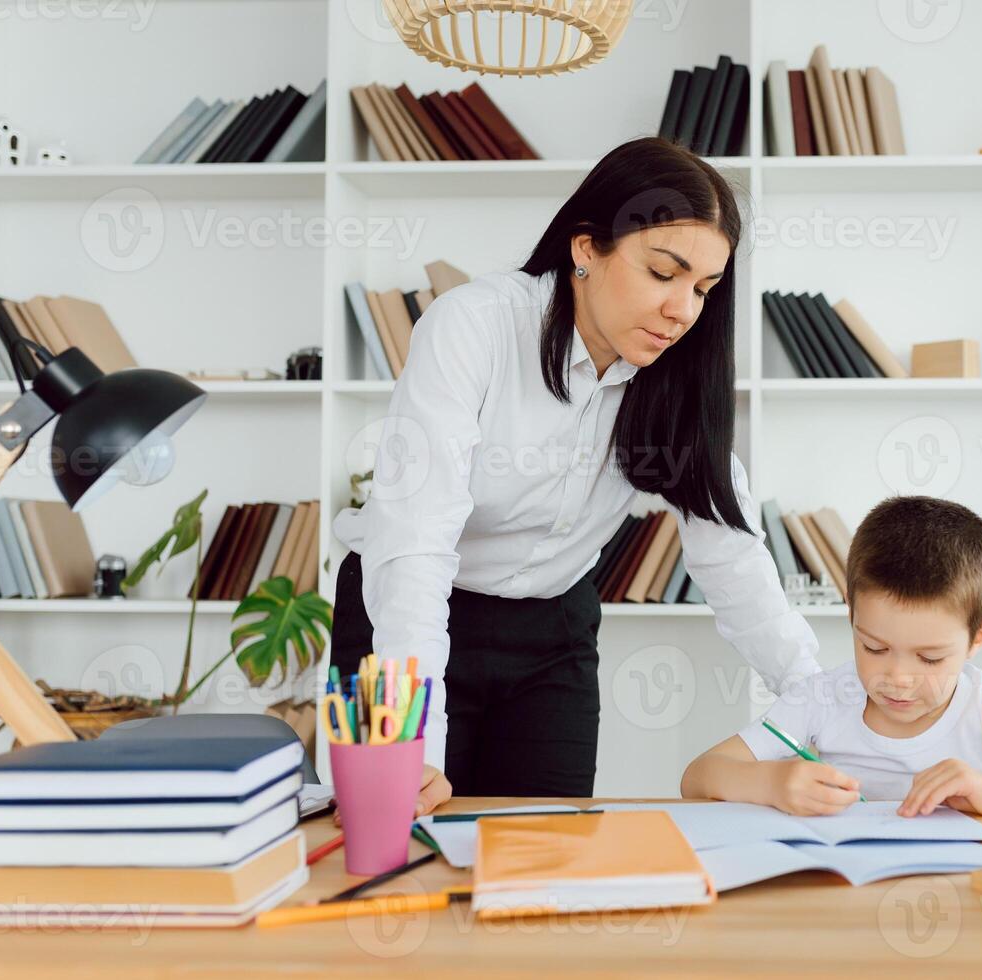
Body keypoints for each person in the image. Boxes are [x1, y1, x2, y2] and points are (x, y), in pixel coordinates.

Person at [329, 138, 824, 809]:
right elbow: (415, 543)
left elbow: (732, 555)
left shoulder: (670, 375)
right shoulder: (476, 326)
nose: (683, 311)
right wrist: (417, 741)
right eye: (663, 273)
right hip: (407, 612)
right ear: (586, 247)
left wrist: (823, 703)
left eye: (703, 289)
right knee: (399, 836)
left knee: (544, 861)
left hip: (552, 634)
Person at [681, 495, 982, 816]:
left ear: (979, 637)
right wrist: (771, 783)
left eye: (930, 658)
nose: (898, 677)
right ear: (852, 616)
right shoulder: (821, 699)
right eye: (874, 647)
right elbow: (698, 776)